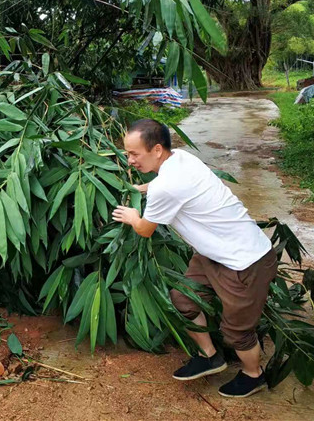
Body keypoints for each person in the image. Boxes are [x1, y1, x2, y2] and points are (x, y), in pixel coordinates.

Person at [111, 119, 277, 398]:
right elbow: (165, 187)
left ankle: (253, 375)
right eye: (128, 153)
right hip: (213, 255)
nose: (130, 160)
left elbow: (145, 230)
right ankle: (210, 356)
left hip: (244, 262)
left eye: (134, 154)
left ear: (158, 150)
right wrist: (141, 189)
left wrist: (132, 216)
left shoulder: (167, 185)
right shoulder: (181, 160)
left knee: (237, 331)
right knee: (183, 299)